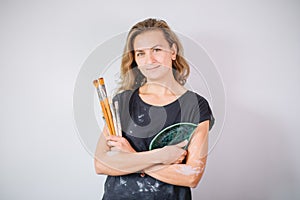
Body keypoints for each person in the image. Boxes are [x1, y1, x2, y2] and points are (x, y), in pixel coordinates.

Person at [94, 18, 215, 200]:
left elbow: (191, 176)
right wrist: (161, 156)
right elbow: (101, 164)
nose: (149, 60)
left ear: (173, 51)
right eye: (140, 53)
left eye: (156, 50)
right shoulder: (123, 102)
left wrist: (131, 156)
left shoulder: (195, 106)